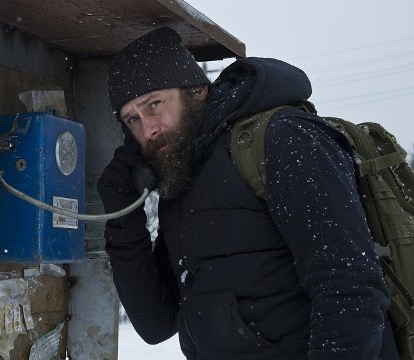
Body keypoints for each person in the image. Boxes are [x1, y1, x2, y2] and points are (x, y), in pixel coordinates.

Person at [97, 26, 399, 359]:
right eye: (132, 120)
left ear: (198, 91)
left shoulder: (283, 138)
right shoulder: (181, 180)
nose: (147, 130)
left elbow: (351, 290)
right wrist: (123, 213)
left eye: (153, 104)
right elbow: (156, 323)